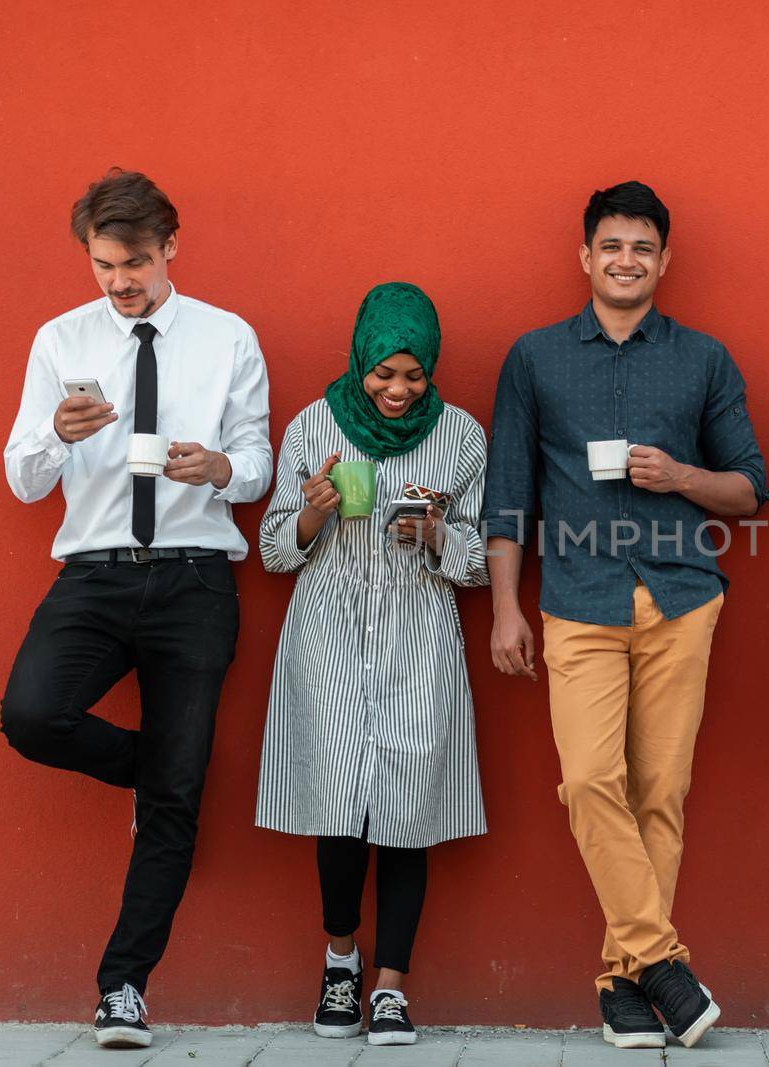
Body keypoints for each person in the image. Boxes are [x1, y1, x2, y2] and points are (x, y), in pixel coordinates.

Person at [482, 181, 768, 1049]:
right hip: (577, 598)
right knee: (591, 779)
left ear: (663, 261)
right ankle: (664, 962)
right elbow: (507, 497)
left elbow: (751, 489)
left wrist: (679, 476)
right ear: (586, 256)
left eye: (643, 247)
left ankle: (623, 984)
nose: (626, 260)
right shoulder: (533, 358)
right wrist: (504, 608)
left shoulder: (704, 359)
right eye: (612, 245)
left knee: (662, 793)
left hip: (683, 595)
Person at [0, 169, 272, 1049]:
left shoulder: (228, 338)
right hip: (96, 573)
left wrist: (218, 470)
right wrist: (56, 435)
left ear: (172, 248)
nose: (121, 282)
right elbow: (20, 475)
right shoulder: (59, 339)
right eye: (105, 264)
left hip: (195, 576)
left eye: (138, 264)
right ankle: (155, 767)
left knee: (175, 805)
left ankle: (123, 986)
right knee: (32, 714)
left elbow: (258, 462)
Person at [255, 281, 488, 1047]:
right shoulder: (312, 425)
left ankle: (391, 987)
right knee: (339, 794)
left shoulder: (459, 436)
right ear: (360, 360)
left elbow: (482, 558)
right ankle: (341, 960)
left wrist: (435, 535)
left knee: (408, 805)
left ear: (431, 369)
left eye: (412, 375)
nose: (396, 389)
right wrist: (316, 509)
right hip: (328, 622)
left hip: (418, 626)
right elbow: (274, 549)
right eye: (383, 373)